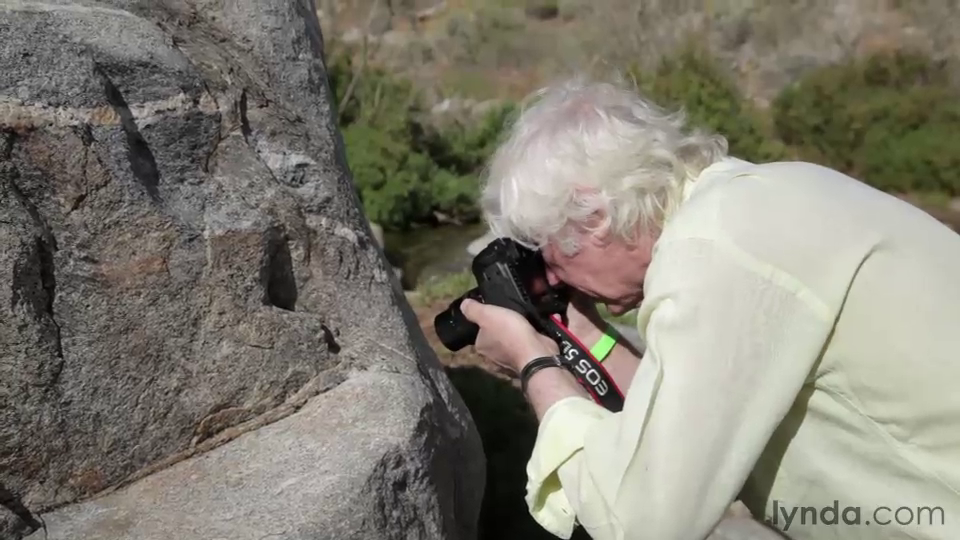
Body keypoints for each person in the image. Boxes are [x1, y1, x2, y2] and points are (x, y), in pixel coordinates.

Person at [458, 75, 960, 540]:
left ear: (594, 216)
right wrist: (585, 339)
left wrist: (534, 363)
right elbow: (675, 432)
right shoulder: (763, 198)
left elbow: (640, 521)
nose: (555, 278)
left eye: (551, 255)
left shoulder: (714, 250)